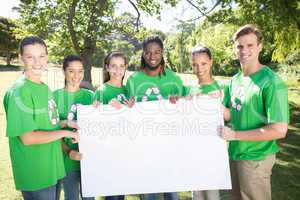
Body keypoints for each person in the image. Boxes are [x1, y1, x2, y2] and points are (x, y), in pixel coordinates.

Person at [3, 36, 78, 200]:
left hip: (53, 168)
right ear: (20, 58)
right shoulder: (20, 91)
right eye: (30, 57)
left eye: (41, 56)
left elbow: (47, 124)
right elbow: (28, 137)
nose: (37, 62)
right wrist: (65, 133)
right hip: (36, 173)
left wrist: (65, 123)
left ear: (47, 57)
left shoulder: (44, 88)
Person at [221, 24, 289, 200]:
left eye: (250, 45)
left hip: (255, 159)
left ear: (260, 47)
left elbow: (279, 130)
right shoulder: (234, 80)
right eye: (240, 46)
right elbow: (230, 114)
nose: (244, 50)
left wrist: (235, 135)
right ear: (234, 50)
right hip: (234, 154)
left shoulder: (272, 82)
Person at [126, 36, 185, 200]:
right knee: (147, 194)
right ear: (143, 54)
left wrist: (179, 102)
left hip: (169, 147)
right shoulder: (133, 80)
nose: (153, 56)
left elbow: (186, 108)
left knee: (172, 194)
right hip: (143, 148)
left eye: (157, 52)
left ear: (162, 53)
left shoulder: (173, 79)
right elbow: (126, 113)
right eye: (148, 52)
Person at [53, 55, 95, 200]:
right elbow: (50, 132)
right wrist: (68, 151)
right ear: (63, 71)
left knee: (89, 197)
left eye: (80, 71)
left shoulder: (91, 96)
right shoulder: (53, 97)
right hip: (66, 161)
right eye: (71, 71)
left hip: (89, 161)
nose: (76, 76)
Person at [94, 51, 134, 200]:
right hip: (109, 152)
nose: (118, 71)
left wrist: (129, 110)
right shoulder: (102, 91)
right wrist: (110, 111)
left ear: (125, 68)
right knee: (111, 194)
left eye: (121, 66)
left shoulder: (128, 91)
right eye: (114, 66)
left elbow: (133, 121)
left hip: (125, 150)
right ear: (107, 68)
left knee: (120, 194)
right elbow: (97, 124)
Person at [187, 45, 221, 200]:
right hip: (194, 151)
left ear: (211, 62)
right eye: (195, 64)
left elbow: (229, 117)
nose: (199, 68)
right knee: (197, 195)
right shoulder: (190, 89)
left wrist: (216, 103)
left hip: (213, 152)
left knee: (212, 195)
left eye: (203, 63)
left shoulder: (221, 89)